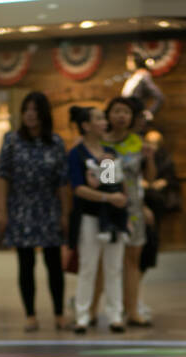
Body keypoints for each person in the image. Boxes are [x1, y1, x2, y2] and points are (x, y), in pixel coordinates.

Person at [0, 91, 71, 333]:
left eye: (35, 110)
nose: (30, 115)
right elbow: (3, 176)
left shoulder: (56, 142)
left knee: (53, 263)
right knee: (25, 263)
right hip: (21, 208)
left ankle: (59, 314)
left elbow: (62, 181)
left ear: (44, 114)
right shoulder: (12, 140)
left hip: (48, 207)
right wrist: (2, 210)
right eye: (27, 110)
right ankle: (30, 315)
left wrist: (65, 213)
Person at [92, 96, 154, 329]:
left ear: (132, 118)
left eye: (126, 112)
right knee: (102, 261)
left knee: (132, 260)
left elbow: (148, 178)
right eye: (116, 111)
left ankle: (132, 310)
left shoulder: (138, 143)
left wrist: (150, 159)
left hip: (134, 208)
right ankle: (91, 309)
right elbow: (102, 179)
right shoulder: (100, 143)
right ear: (108, 115)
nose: (121, 116)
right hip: (108, 206)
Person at [67, 105, 127, 333]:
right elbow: (78, 188)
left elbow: (112, 183)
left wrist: (112, 193)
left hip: (112, 218)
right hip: (89, 216)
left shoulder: (109, 152)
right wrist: (105, 196)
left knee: (113, 267)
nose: (104, 122)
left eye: (104, 118)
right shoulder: (77, 153)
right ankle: (82, 314)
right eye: (99, 119)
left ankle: (115, 314)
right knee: (88, 266)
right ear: (86, 125)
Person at [139, 124, 178, 319]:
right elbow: (110, 181)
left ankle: (133, 301)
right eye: (148, 142)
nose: (151, 146)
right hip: (126, 207)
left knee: (146, 252)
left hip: (152, 206)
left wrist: (157, 182)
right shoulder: (122, 150)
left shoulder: (160, 158)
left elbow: (160, 176)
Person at [121, 53, 164, 123]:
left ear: (136, 62)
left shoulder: (143, 76)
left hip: (136, 116)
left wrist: (149, 113)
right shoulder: (133, 76)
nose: (127, 63)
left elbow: (159, 97)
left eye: (129, 61)